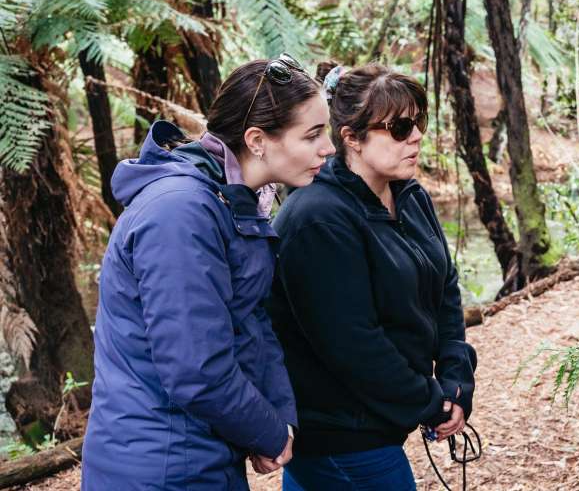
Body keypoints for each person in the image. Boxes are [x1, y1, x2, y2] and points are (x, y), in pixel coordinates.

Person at [83, 55, 335, 489]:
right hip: (159, 466)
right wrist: (267, 431)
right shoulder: (180, 211)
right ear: (257, 140)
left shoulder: (236, 200)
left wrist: (278, 418)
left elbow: (252, 318)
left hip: (201, 454)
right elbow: (195, 366)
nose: (328, 148)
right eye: (313, 135)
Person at [269, 63, 477, 490]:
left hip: (375, 423)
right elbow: (351, 342)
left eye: (419, 122)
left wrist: (456, 377)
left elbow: (445, 290)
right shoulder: (317, 218)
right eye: (400, 128)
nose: (416, 136)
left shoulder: (410, 196)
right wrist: (428, 401)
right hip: (338, 433)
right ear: (352, 138)